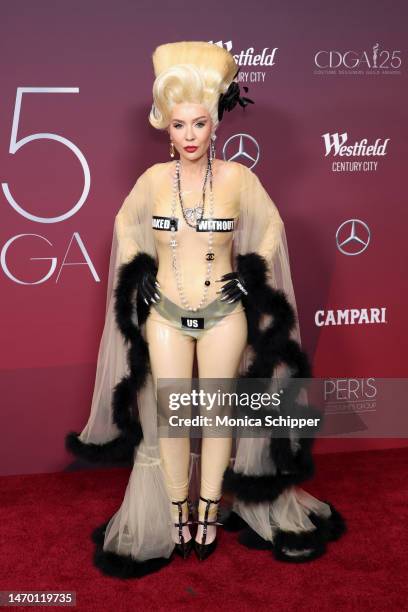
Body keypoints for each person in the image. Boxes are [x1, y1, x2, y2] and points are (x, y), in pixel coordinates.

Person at [65, 41, 346, 579]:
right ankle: (176, 516)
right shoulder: (151, 182)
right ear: (165, 128)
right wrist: (138, 268)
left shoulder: (240, 179)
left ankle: (209, 515)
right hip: (166, 313)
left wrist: (250, 275)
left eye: (198, 123)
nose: (189, 135)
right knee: (172, 423)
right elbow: (127, 226)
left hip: (224, 316)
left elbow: (272, 230)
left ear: (214, 121)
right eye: (178, 125)